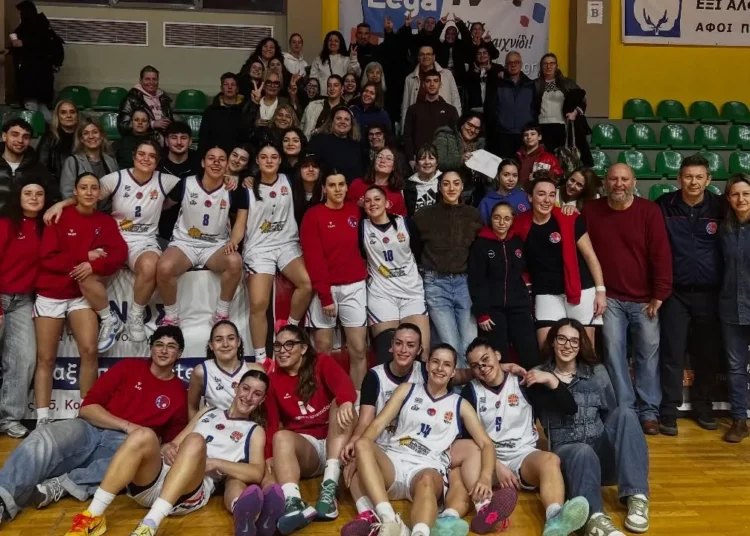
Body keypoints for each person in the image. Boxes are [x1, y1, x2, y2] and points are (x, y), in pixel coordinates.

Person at [0, 326, 188, 523]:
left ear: (180, 353)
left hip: (126, 444)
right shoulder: (129, 367)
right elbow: (88, 408)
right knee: (42, 437)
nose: (164, 350)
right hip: (89, 428)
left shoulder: (179, 393)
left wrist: (166, 446)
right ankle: (3, 497)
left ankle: (62, 485)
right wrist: (127, 425)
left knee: (131, 463)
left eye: (171, 346)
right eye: (159, 344)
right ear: (151, 348)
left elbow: (169, 443)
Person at [63, 368, 271, 536]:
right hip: (157, 479)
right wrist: (167, 447)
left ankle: (149, 525)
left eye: (257, 394)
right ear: (236, 388)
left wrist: (216, 463)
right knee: (143, 434)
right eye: (246, 389)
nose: (248, 397)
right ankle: (92, 516)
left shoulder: (254, 430)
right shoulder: (207, 412)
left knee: (195, 440)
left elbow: (256, 472)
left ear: (261, 401)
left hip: (189, 492)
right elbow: (173, 444)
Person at [352, 344, 500, 536]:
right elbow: (376, 426)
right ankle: (389, 520)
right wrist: (360, 456)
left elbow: (486, 444)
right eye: (436, 362)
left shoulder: (460, 404)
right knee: (362, 443)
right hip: (394, 462)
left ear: (453, 372)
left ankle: (419, 532)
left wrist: (486, 477)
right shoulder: (406, 390)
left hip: (427, 467)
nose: (440, 368)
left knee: (428, 479)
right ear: (427, 365)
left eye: (447, 364)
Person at [46, 141, 182, 344]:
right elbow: (87, 195)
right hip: (113, 238)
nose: (146, 159)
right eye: (141, 154)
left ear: (157, 161)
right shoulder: (115, 178)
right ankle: (109, 319)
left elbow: (197, 185)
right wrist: (60, 205)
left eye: (151, 156)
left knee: (150, 265)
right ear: (134, 156)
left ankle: (135, 316)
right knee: (85, 272)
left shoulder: (166, 180)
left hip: (143, 241)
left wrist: (227, 179)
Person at [457, 337, 590, 536]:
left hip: (523, 456)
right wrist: (496, 466)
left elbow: (570, 408)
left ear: (498, 355)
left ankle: (555, 519)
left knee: (550, 460)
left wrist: (551, 379)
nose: (482, 368)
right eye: (475, 366)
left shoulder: (522, 382)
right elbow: (470, 438)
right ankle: (484, 510)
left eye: (486, 359)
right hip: (488, 460)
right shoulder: (470, 391)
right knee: (462, 465)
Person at [535, 319, 651, 536]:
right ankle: (594, 519)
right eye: (562, 339)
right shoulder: (538, 375)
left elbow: (610, 413)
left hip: (601, 457)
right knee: (582, 450)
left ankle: (637, 497)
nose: (567, 345)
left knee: (625, 413)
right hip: (568, 458)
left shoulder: (597, 372)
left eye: (574, 341)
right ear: (552, 342)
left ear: (581, 346)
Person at [582, 163, 672, 435]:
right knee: (614, 353)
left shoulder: (649, 211)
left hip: (645, 300)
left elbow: (661, 254)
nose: (618, 184)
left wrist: (659, 294)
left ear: (634, 182)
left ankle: (649, 412)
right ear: (605, 182)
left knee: (648, 355)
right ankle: (626, 410)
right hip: (609, 298)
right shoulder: (591, 211)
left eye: (624, 179)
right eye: (613, 179)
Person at [34, 173, 128, 424]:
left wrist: (94, 265)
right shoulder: (58, 216)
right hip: (51, 293)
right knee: (46, 358)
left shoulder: (105, 222)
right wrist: (85, 256)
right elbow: (48, 258)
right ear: (74, 191)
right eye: (83, 188)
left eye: (93, 188)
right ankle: (42, 418)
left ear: (99, 193)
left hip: (80, 296)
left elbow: (119, 254)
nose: (88, 192)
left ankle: (87, 414)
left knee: (89, 351)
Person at [265, 326, 357, 533]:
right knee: (281, 436)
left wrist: (345, 401)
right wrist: (269, 454)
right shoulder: (273, 380)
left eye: (289, 344)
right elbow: (271, 424)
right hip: (309, 449)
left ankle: (329, 489)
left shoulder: (321, 362)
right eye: (278, 346)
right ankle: (294, 503)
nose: (282, 350)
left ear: (304, 348)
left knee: (342, 403)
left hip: (338, 440)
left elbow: (345, 386)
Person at [656, 155, 723, 436]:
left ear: (708, 180)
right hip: (675, 293)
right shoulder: (664, 205)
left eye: (699, 177)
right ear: (678, 178)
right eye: (688, 176)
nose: (693, 182)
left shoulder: (720, 207)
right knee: (672, 352)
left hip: (710, 293)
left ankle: (703, 406)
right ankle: (669, 411)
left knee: (706, 353)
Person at [156, 147, 247, 327]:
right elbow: (162, 206)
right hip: (185, 244)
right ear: (203, 163)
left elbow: (241, 221)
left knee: (235, 262)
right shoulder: (186, 184)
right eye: (211, 158)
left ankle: (222, 313)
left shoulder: (234, 190)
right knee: (164, 267)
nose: (216, 162)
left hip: (215, 246)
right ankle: (171, 317)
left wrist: (234, 241)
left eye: (221, 159)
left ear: (227, 165)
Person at [513, 177, 607, 345]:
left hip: (580, 289)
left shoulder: (569, 218)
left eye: (551, 195)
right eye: (541, 194)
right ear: (530, 197)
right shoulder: (519, 223)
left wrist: (600, 291)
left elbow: (590, 256)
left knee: (585, 347)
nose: (547, 200)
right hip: (546, 292)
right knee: (546, 346)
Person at [242, 143, 312, 367]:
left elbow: (314, 178)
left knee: (306, 284)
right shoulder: (247, 186)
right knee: (258, 304)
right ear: (257, 161)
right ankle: (261, 357)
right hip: (259, 248)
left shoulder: (289, 180)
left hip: (286, 243)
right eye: (264, 157)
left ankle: (289, 327)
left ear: (280, 160)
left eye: (273, 157)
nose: (269, 161)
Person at [300, 171, 368, 385]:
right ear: (324, 189)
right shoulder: (313, 215)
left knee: (358, 349)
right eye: (332, 185)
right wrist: (325, 295)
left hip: (354, 287)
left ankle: (357, 399)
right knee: (323, 350)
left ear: (347, 187)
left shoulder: (356, 211)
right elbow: (314, 258)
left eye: (341, 184)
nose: (337, 189)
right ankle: (323, 398)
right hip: (325, 290)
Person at [412, 171, 483, 367]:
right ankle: (457, 386)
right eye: (446, 184)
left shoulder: (473, 215)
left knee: (470, 344)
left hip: (464, 282)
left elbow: (478, 250)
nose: (451, 188)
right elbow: (415, 247)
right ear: (439, 187)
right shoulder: (424, 215)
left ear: (462, 187)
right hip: (436, 282)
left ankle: (470, 385)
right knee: (450, 343)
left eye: (456, 183)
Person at [360, 186, 431, 365]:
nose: (372, 203)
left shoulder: (405, 223)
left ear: (387, 203)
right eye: (368, 201)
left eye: (377, 199)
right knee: (388, 354)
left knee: (420, 353)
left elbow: (418, 251)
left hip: (411, 293)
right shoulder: (362, 227)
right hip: (382, 294)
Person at [0, 178, 45, 439]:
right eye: (28, 193)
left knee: (24, 359)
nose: (34, 198)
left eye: (39, 193)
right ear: (18, 197)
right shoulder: (7, 223)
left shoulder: (46, 226)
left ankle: (9, 419)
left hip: (23, 301)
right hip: (1, 296)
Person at [468, 202, 539, 368]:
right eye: (497, 218)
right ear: (490, 218)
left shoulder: (517, 241)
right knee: (500, 357)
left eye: (507, 218)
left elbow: (525, 270)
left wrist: (528, 301)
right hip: (493, 309)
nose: (502, 222)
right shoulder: (481, 244)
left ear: (512, 220)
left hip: (519, 306)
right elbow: (476, 280)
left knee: (530, 353)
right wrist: (481, 312)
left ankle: (533, 383)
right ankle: (506, 385)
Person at [719, 173, 750, 443]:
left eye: (746, 194)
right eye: (736, 194)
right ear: (728, 198)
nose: (741, 199)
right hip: (731, 307)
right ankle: (739, 420)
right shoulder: (723, 230)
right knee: (736, 367)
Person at [187, 320, 255, 419]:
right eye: (219, 340)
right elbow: (192, 408)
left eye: (231, 338)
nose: (225, 344)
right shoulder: (201, 371)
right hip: (213, 427)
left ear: (238, 342)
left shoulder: (253, 370)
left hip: (248, 427)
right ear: (211, 345)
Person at [534, 53, 591, 164]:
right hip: (542, 126)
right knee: (546, 161)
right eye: (545, 64)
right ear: (541, 66)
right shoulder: (535, 84)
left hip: (563, 127)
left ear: (557, 66)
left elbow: (583, 100)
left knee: (562, 161)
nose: (548, 66)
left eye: (552, 63)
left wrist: (575, 112)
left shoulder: (567, 83)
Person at [10, 1, 58, 122]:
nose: (20, 15)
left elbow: (40, 45)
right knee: (40, 105)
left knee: (31, 104)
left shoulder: (36, 27)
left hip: (34, 74)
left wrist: (23, 43)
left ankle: (33, 127)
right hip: (40, 74)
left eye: (21, 12)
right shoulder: (39, 24)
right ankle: (52, 127)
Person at [485, 51, 536, 159]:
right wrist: (498, 124)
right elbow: (490, 109)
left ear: (521, 64)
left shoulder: (530, 84)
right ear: (505, 65)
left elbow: (535, 108)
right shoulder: (497, 84)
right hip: (502, 135)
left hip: (524, 135)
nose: (513, 65)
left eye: (516, 62)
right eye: (509, 62)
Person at [157, 121, 202, 242]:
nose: (178, 142)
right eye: (173, 137)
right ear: (166, 141)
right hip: (162, 227)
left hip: (194, 227)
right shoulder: (156, 163)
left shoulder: (200, 163)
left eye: (183, 138)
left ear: (190, 141)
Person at [403, 69, 459, 165]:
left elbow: (456, 137)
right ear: (423, 84)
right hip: (419, 161)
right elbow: (407, 136)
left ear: (440, 84)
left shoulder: (450, 110)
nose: (432, 84)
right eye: (428, 81)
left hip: (443, 161)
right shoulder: (413, 109)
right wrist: (411, 159)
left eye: (435, 81)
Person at [0, 118, 56, 213]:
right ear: (4, 136)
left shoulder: (38, 168)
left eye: (25, 137)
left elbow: (53, 199)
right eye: (15, 135)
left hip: (28, 221)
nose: (20, 140)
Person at [60, 117, 119, 200]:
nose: (91, 136)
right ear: (81, 139)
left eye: (95, 132)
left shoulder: (111, 161)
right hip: (82, 208)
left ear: (101, 136)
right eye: (86, 133)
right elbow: (67, 194)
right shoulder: (72, 162)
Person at [401, 45, 461, 126]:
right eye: (422, 54)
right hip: (418, 124)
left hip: (444, 122)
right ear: (418, 58)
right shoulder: (409, 79)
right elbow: (405, 107)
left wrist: (458, 125)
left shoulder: (447, 75)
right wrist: (404, 128)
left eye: (428, 54)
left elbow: (456, 100)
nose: (425, 57)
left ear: (434, 57)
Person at [308, 105, 366, 184]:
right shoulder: (318, 140)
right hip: (325, 187)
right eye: (338, 118)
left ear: (351, 124)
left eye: (346, 119)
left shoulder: (357, 144)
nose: (342, 122)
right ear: (332, 122)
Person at [198, 72, 249, 158]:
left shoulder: (244, 110)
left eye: (233, 85)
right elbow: (203, 137)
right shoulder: (211, 110)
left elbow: (246, 138)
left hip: (236, 158)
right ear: (222, 88)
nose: (229, 87)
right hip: (215, 157)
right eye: (226, 84)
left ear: (237, 89)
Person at [118, 66, 173, 140]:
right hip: (140, 141)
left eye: (154, 79)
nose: (151, 82)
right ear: (140, 81)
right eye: (147, 79)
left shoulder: (164, 98)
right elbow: (123, 125)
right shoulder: (131, 99)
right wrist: (152, 124)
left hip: (163, 143)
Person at [348, 147, 406, 217]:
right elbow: (344, 210)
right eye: (380, 157)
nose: (382, 161)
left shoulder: (397, 195)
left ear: (394, 166)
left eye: (388, 158)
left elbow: (401, 220)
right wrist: (358, 205)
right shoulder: (357, 184)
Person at [36, 99, 79, 180]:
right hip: (54, 182)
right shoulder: (49, 137)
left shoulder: (83, 136)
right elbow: (41, 166)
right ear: (58, 116)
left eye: (72, 112)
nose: (69, 115)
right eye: (63, 112)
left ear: (77, 115)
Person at [478, 159, 529, 223]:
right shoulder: (486, 202)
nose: (511, 179)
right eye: (506, 175)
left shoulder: (524, 196)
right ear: (497, 177)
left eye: (515, 175)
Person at [310, 31, 361, 95]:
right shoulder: (318, 60)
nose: (332, 43)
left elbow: (355, 74)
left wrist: (353, 59)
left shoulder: (346, 60)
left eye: (336, 41)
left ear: (340, 43)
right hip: (322, 96)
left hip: (341, 96)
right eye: (330, 40)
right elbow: (313, 79)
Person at [404, 144, 442, 217]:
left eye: (431, 158)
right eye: (422, 158)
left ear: (437, 162)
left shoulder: (444, 182)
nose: (427, 162)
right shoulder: (407, 186)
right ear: (417, 164)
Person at [301, 75, 344, 139]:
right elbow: (302, 126)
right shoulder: (313, 105)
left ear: (342, 89)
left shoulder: (345, 110)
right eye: (329, 85)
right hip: (309, 142)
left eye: (335, 85)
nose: (332, 88)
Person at [464, 43, 503, 112]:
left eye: (484, 53)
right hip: (476, 109)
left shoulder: (498, 68)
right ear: (476, 57)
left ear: (489, 56)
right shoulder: (471, 72)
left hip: (493, 109)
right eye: (479, 54)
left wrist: (490, 70)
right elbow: (468, 88)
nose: (482, 55)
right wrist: (475, 74)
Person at [291, 151, 322, 225]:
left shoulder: (326, 194)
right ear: (299, 170)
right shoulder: (290, 193)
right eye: (306, 166)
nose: (311, 169)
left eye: (315, 166)